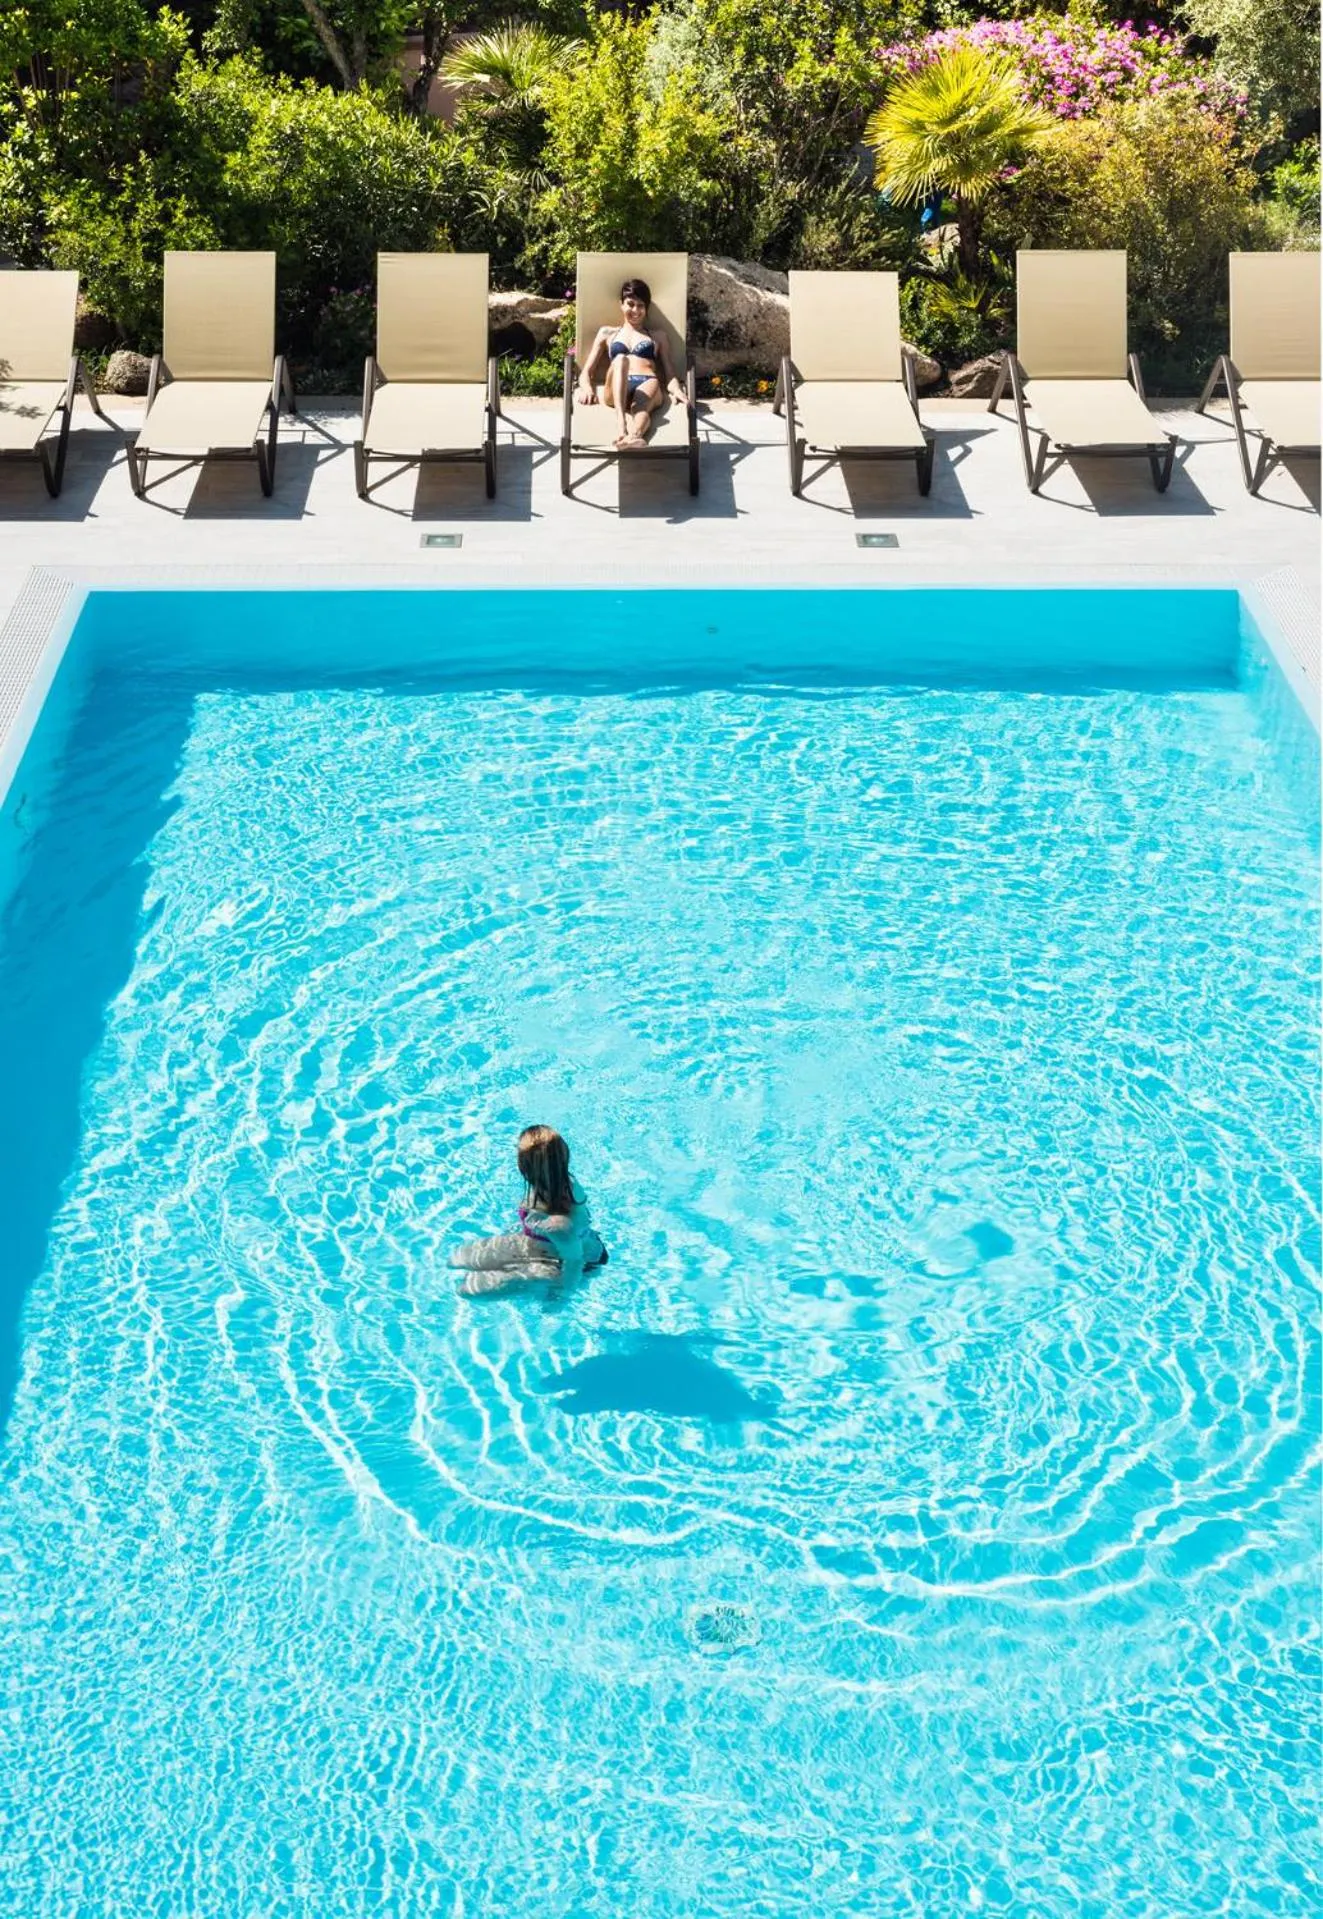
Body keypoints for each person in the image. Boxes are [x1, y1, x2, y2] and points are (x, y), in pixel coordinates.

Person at [451, 1124, 608, 1298]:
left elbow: (574, 1262)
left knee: (468, 1291)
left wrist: (560, 1296)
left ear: (523, 1167)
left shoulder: (558, 1223)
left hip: (572, 1264)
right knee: (456, 1260)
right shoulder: (554, 1184)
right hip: (545, 1246)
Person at [576, 278, 686, 452]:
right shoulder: (607, 333)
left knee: (641, 408)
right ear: (621, 304)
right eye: (630, 304)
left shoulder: (658, 336)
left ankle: (633, 437)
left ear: (646, 308)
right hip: (616, 384)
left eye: (641, 305)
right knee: (621, 360)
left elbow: (670, 373)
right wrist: (587, 389)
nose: (635, 310)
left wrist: (677, 389)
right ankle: (621, 424)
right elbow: (586, 373)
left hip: (647, 381)